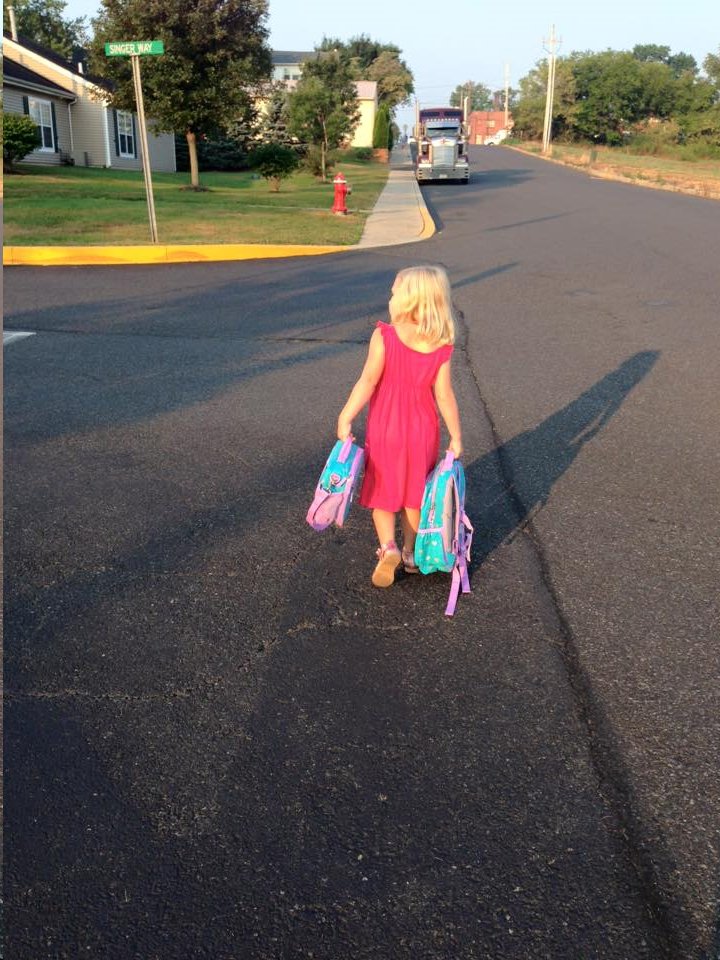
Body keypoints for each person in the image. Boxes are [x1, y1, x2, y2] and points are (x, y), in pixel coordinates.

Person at [337, 265, 463, 588]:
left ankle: (388, 548)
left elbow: (367, 381)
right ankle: (410, 553)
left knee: (383, 491)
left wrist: (346, 416)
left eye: (394, 291)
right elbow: (444, 395)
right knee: (414, 493)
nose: (390, 296)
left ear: (408, 298)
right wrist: (456, 436)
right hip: (422, 429)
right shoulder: (440, 344)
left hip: (386, 428)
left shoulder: (385, 336)